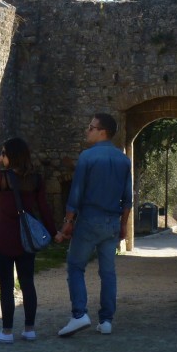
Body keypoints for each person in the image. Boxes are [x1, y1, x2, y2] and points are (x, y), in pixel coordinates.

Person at [55, 113, 132, 337]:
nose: (87, 130)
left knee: (76, 266)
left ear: (102, 131)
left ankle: (79, 314)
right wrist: (124, 225)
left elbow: (76, 193)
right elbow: (127, 199)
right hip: (112, 222)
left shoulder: (87, 157)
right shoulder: (124, 160)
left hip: (89, 219)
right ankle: (106, 320)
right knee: (108, 272)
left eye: (91, 127)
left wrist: (68, 223)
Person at [0, 137, 57, 344]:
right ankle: (29, 329)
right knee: (27, 283)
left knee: (6, 285)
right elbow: (44, 209)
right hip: (26, 237)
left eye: (4, 153)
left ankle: (7, 332)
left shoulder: (2, 177)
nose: (2, 156)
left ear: (10, 156)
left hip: (4, 236)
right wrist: (54, 232)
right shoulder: (35, 179)